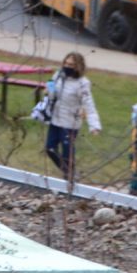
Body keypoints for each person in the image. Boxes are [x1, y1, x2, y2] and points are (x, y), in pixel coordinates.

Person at [40, 51, 101, 180]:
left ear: (78, 66)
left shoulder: (82, 83)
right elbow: (53, 95)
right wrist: (49, 91)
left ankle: (69, 176)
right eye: (66, 63)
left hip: (70, 122)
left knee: (67, 150)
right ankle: (69, 172)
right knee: (50, 148)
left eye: (71, 65)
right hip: (56, 119)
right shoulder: (58, 76)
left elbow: (89, 105)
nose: (67, 67)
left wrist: (94, 125)